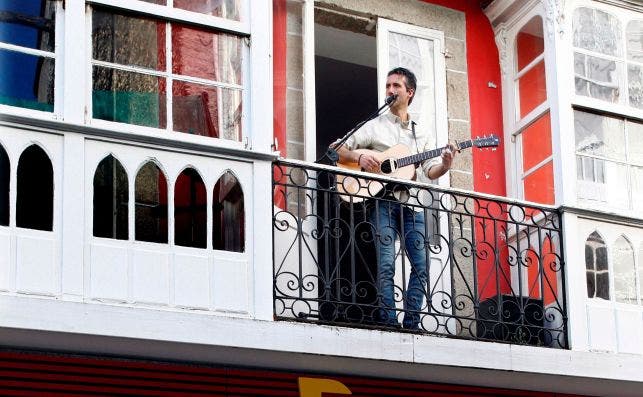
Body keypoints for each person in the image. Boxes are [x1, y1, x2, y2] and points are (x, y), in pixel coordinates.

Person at [334, 67, 457, 329]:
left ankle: (411, 322)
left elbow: (430, 170)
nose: (390, 90)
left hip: (411, 204)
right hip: (381, 203)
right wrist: (359, 157)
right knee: (387, 264)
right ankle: (388, 321)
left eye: (396, 86)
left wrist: (446, 163)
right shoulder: (375, 125)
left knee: (422, 266)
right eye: (388, 86)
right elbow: (337, 147)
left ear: (409, 92)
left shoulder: (420, 133)